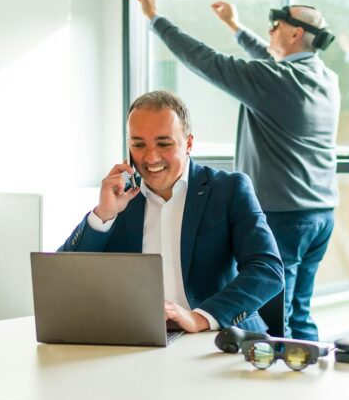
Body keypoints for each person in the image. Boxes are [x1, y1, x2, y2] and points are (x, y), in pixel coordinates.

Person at [128, 0, 339, 341]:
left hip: (285, 214)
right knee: (300, 313)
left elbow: (207, 61)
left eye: (276, 25)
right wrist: (236, 28)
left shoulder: (275, 81)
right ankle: (310, 378)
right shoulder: (325, 78)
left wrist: (154, 17)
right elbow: (268, 63)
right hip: (321, 214)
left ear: (294, 35)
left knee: (280, 319)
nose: (270, 30)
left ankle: (279, 386)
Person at [58, 90, 283, 334]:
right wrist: (103, 215)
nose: (151, 157)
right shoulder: (120, 198)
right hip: (139, 341)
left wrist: (200, 318)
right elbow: (64, 277)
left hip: (219, 337)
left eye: (164, 144)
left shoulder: (228, 190)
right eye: (138, 144)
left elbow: (267, 269)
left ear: (188, 143)